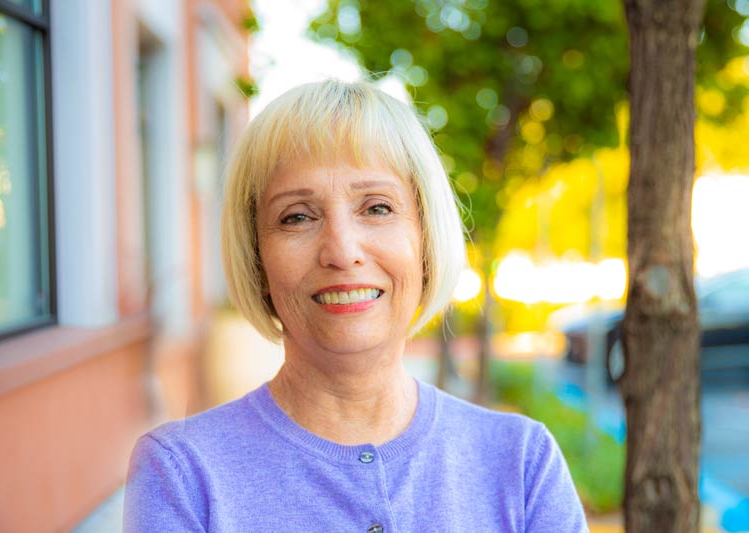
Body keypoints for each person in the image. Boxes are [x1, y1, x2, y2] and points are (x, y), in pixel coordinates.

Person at [123, 80, 588, 532]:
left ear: (424, 241)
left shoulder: (523, 465)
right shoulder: (182, 477)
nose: (342, 251)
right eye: (298, 216)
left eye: (377, 207)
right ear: (257, 257)